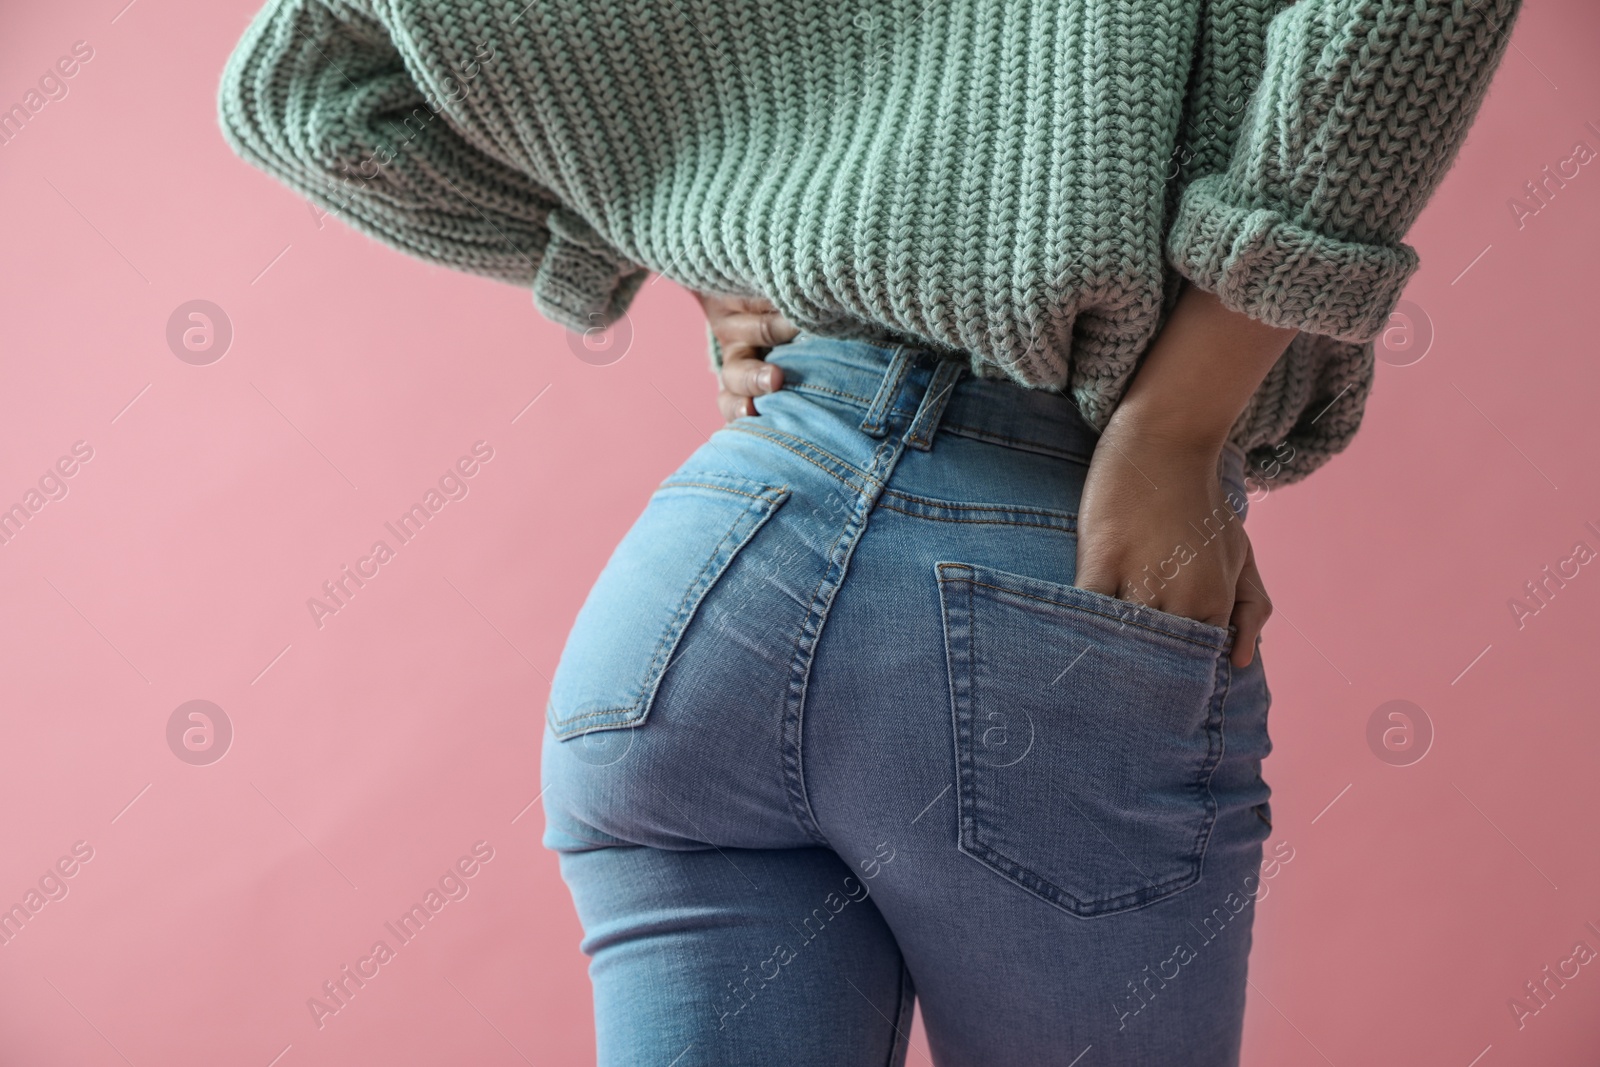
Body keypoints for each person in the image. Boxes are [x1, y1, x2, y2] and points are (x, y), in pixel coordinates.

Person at [218, 1, 1522, 1062]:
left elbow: (296, 92)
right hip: (1046, 568)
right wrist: (1179, 423)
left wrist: (660, 246)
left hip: (707, 579)